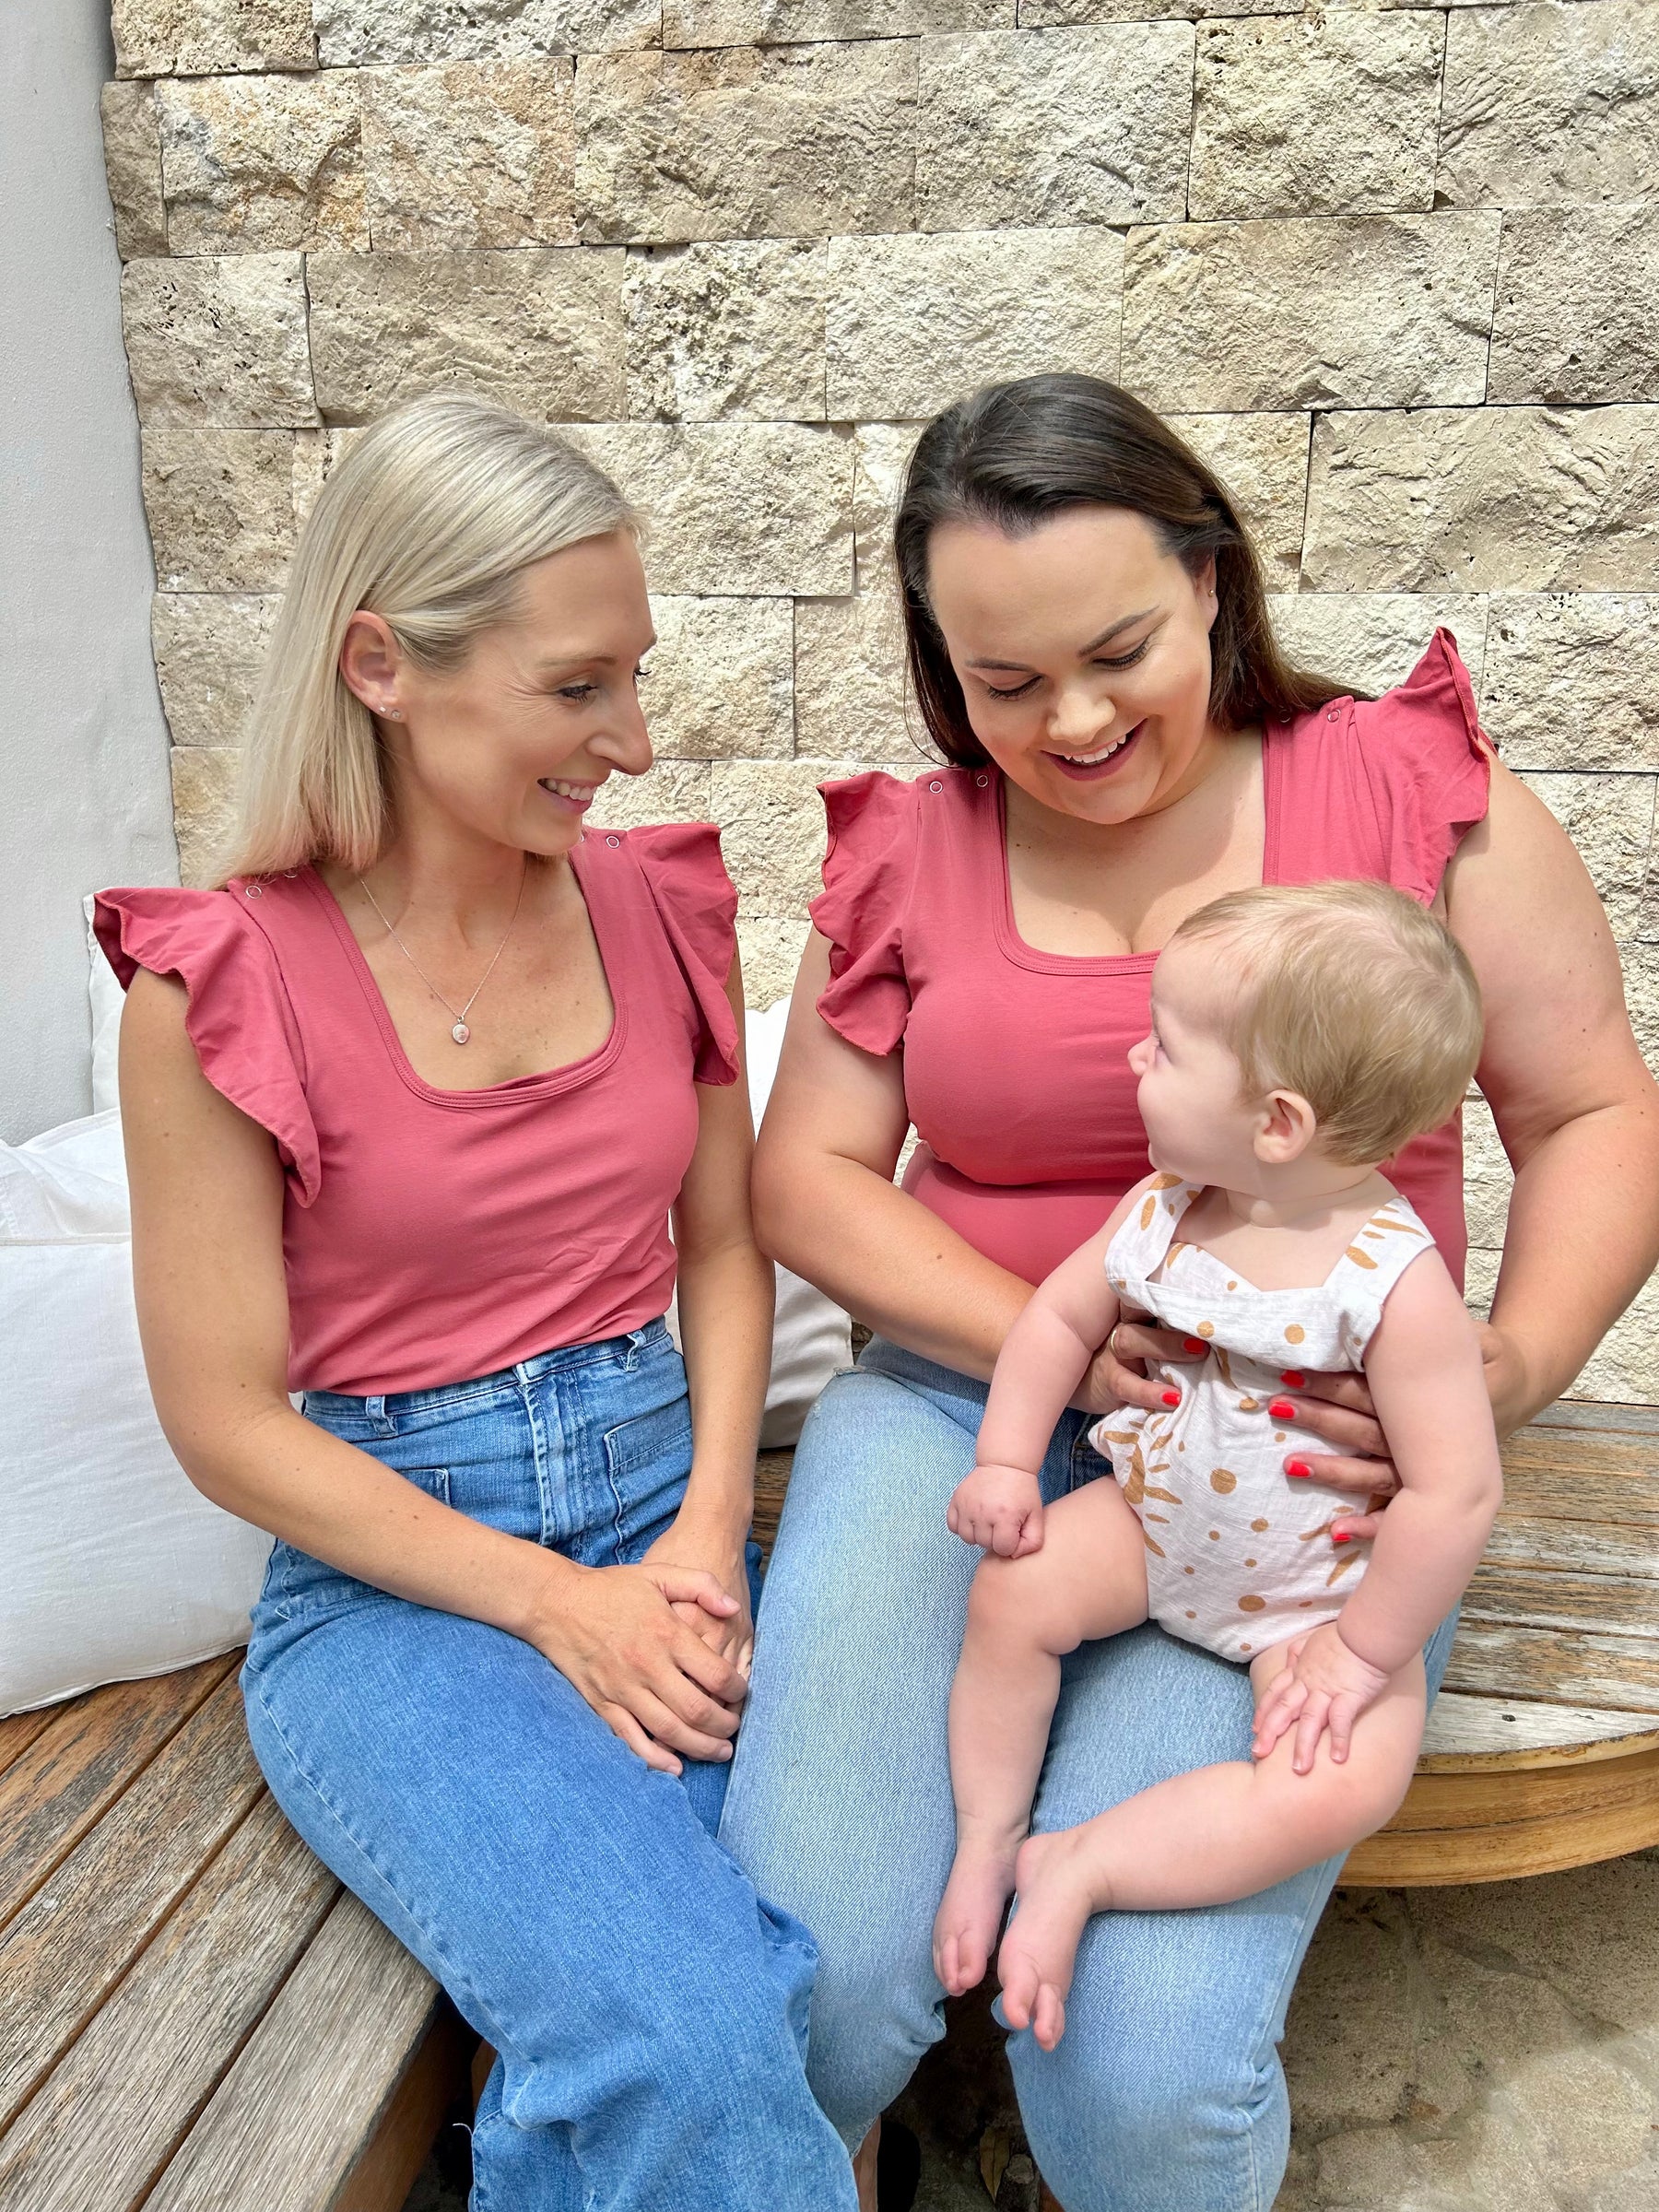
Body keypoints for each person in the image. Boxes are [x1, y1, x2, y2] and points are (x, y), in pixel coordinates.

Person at [718, 372, 1659, 2212]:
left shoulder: (1412, 791)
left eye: (1118, 648)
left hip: (1300, 1486)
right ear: (942, 667)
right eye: (1002, 685)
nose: (1069, 722)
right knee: (815, 1983)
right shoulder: (911, 851)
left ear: (1212, 578)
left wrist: (1511, 1362)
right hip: (957, 1416)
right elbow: (802, 1177)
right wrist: (1058, 1358)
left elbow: (1595, 1109)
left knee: (1137, 2073)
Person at [98, 393, 857, 2212]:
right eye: (579, 687)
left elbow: (727, 1244)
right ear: (383, 662)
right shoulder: (216, 990)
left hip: (663, 1523)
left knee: (806, 1996)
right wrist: (558, 1607)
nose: (636, 737)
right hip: (397, 1599)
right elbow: (224, 1423)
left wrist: (696, 1537)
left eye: (633, 678)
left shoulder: (660, 908)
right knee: (687, 2032)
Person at [935, 881, 1503, 2052]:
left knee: (1345, 1780)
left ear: (1279, 1123)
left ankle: (1087, 1864)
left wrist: (1361, 1653)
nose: (1137, 1052)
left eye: (1168, 1045)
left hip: (1317, 1597)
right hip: (1151, 1520)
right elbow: (1054, 1323)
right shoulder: (1164, 1209)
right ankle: (988, 1829)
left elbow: (1457, 1490)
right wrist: (1004, 1462)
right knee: (1012, 1593)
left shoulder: (1391, 1281)